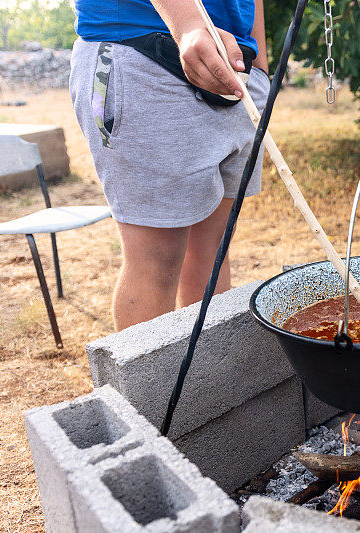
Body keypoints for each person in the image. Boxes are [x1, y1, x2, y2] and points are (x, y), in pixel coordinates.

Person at [69, 0, 269, 330]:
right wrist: (188, 22)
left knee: (212, 251)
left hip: (235, 65)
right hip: (140, 47)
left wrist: (260, 66)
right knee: (156, 261)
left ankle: (209, 377)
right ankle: (151, 384)